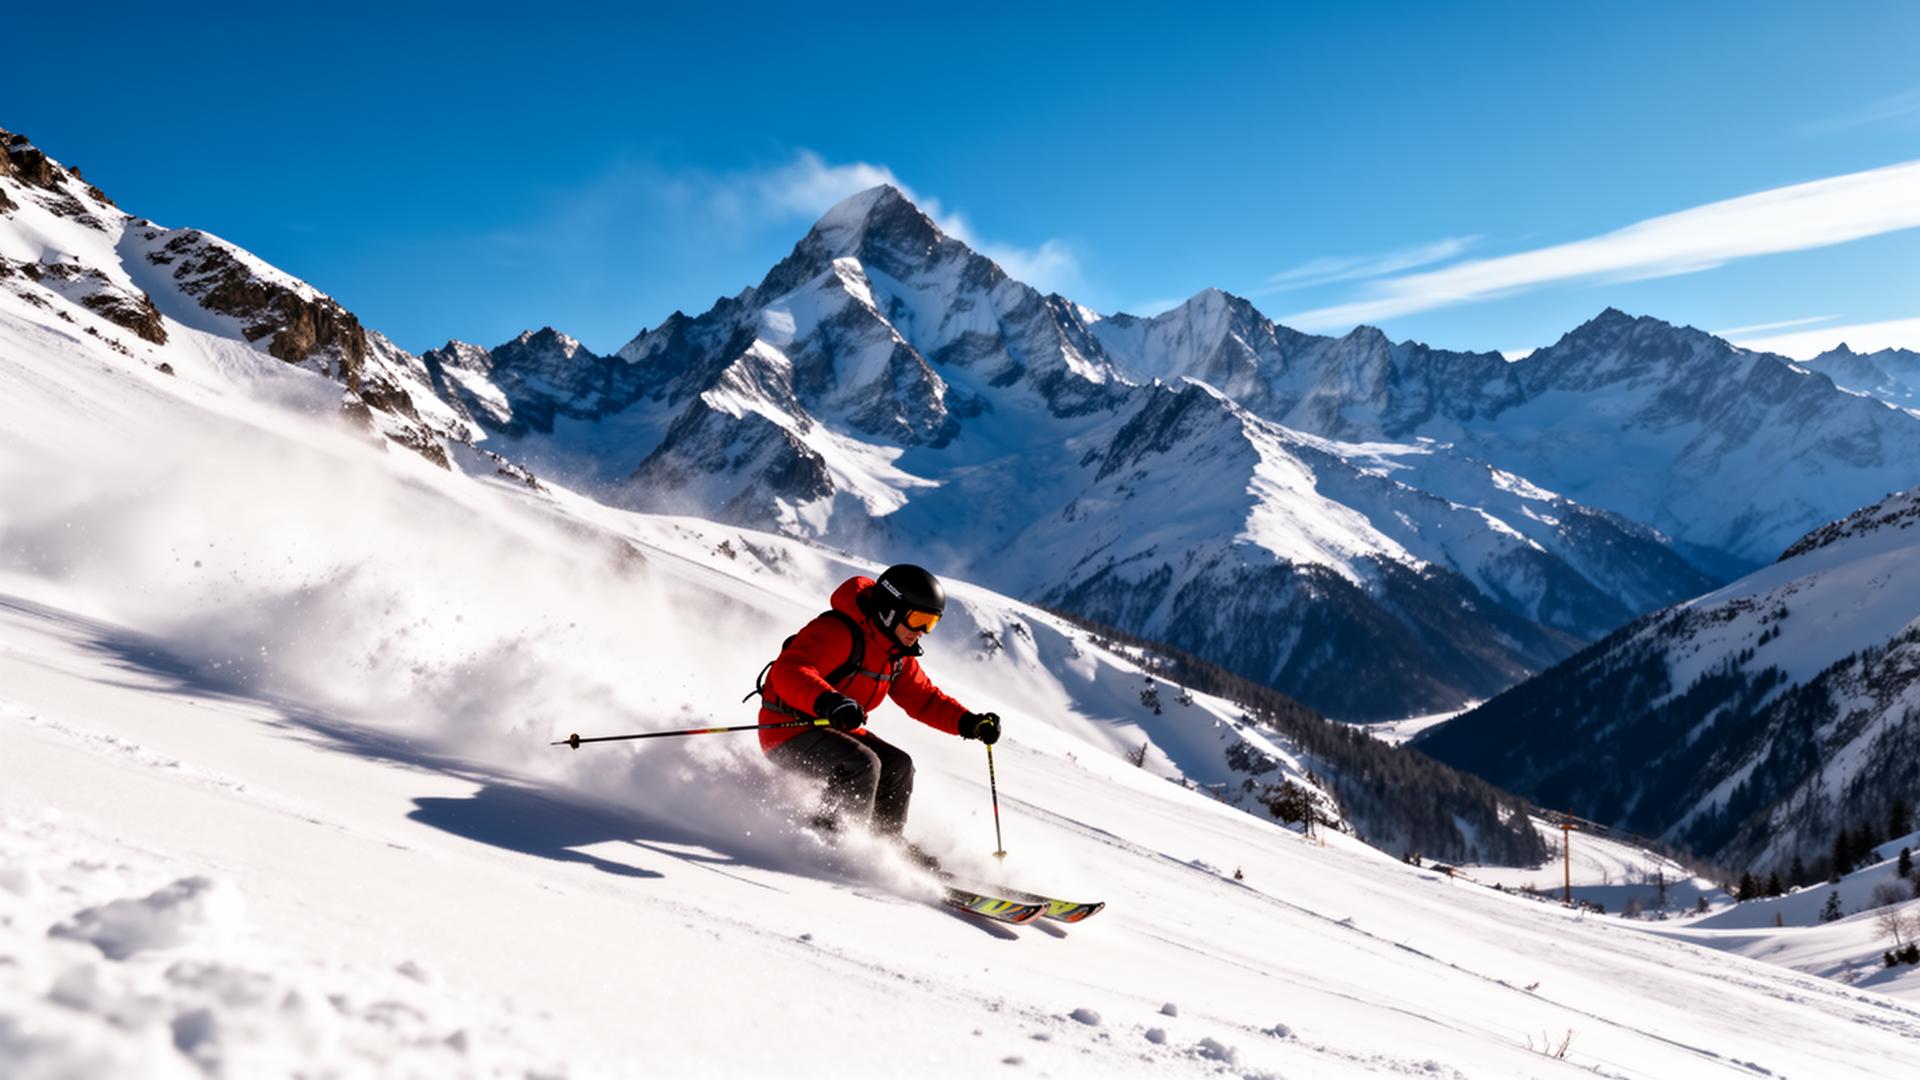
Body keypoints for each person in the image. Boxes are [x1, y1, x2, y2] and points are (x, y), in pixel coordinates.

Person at [754, 564, 1001, 843]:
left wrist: (969, 723)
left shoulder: (895, 653)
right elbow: (791, 670)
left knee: (898, 765)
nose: (921, 631)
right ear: (890, 609)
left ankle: (885, 845)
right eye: (918, 619)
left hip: (836, 730)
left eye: (930, 624)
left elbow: (924, 698)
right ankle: (835, 841)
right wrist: (829, 701)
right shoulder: (838, 631)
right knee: (861, 764)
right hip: (789, 729)